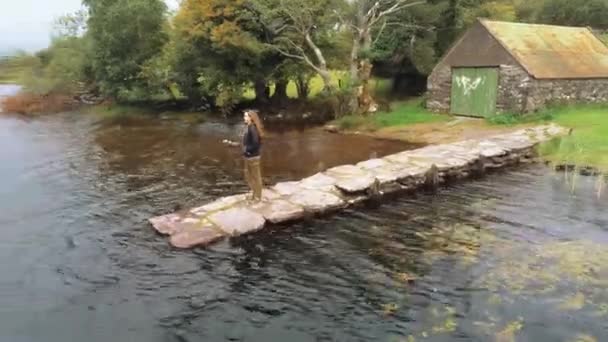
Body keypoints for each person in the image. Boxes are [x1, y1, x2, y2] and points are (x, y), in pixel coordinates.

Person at [242, 109, 265, 202]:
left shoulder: (252, 128)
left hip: (253, 157)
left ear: (251, 118)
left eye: (246, 116)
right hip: (249, 156)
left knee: (255, 177)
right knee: (249, 176)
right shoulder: (249, 127)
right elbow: (248, 142)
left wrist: (247, 150)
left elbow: (256, 143)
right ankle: (254, 194)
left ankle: (257, 197)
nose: (244, 118)